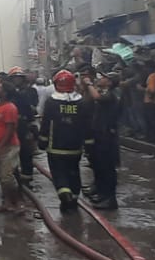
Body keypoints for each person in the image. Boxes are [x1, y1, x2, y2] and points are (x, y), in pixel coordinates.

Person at [38, 70, 89, 210]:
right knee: (73, 171)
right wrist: (89, 143)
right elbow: (87, 124)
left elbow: (45, 124)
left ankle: (64, 194)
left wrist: (42, 140)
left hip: (56, 147)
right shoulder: (82, 102)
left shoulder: (51, 102)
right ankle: (73, 197)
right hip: (75, 147)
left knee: (59, 173)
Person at [0, 79, 26, 215]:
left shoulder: (10, 108)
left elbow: (10, 130)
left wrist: (0, 147)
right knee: (2, 176)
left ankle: (18, 203)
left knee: (8, 177)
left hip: (9, 147)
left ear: (5, 92)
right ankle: (7, 203)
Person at [86, 72, 122, 210]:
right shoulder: (110, 93)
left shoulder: (112, 94)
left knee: (107, 168)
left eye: (104, 77)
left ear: (110, 82)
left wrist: (89, 83)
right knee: (100, 165)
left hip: (107, 135)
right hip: (101, 134)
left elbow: (97, 97)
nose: (100, 79)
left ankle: (110, 199)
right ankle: (103, 194)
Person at [9, 68, 40, 181]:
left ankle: (27, 175)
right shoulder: (9, 94)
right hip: (12, 127)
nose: (17, 80)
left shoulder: (30, 91)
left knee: (26, 153)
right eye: (14, 78)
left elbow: (33, 109)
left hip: (25, 125)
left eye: (19, 78)